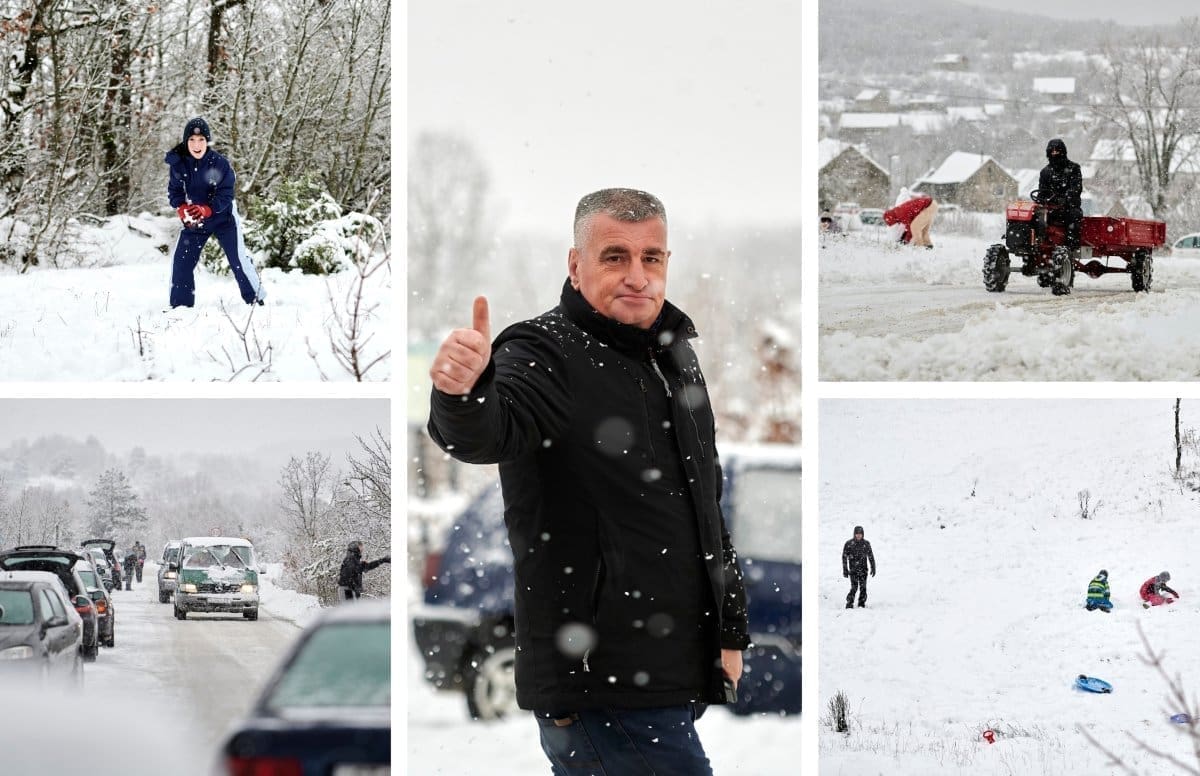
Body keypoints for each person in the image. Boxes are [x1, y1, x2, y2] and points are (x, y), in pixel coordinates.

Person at [427, 188, 750, 776]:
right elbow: (484, 431)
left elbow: (708, 508)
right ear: (576, 265)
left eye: (651, 258)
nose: (637, 275)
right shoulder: (542, 351)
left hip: (667, 681)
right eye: (614, 257)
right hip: (601, 686)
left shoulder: (675, 357)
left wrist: (729, 632)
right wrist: (463, 394)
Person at [163, 117, 266, 309]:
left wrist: (208, 208)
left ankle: (255, 299)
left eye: (201, 140)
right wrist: (182, 208)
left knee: (238, 260)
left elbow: (226, 193)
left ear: (207, 141)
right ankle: (180, 307)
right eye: (192, 140)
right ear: (186, 142)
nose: (196, 145)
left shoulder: (219, 163)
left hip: (223, 218)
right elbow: (174, 191)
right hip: (196, 219)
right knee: (181, 261)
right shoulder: (179, 164)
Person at [1036, 138, 1083, 250]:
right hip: (1050, 206)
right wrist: (1040, 201)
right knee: (1035, 215)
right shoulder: (1045, 172)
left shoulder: (1073, 168)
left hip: (1068, 206)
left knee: (1073, 215)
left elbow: (1076, 188)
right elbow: (1042, 191)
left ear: (1063, 151)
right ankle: (1035, 243)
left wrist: (1066, 198)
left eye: (1057, 151)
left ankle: (1071, 246)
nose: (1055, 153)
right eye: (1052, 151)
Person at [842, 525, 875, 608]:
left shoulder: (866, 544)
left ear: (863, 534)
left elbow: (871, 556)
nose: (858, 535)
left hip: (863, 570)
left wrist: (873, 567)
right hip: (853, 570)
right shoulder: (849, 544)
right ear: (854, 534)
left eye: (860, 533)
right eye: (857, 533)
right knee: (854, 587)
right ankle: (849, 603)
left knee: (863, 588)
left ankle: (861, 603)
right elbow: (844, 557)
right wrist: (845, 569)